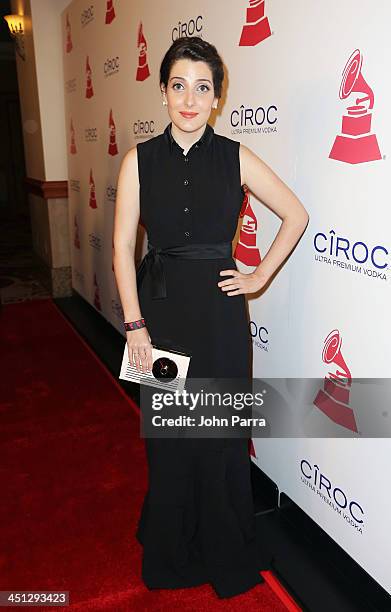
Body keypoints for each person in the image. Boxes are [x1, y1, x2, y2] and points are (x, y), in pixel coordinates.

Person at [113, 36, 309, 599]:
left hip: (222, 321)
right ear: (163, 93)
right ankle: (172, 550)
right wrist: (135, 326)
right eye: (179, 86)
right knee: (169, 438)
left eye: (203, 88)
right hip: (159, 318)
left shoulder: (235, 157)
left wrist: (258, 276)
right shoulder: (139, 160)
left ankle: (225, 547)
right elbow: (122, 246)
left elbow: (294, 214)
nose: (190, 99)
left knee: (221, 436)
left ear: (217, 97)